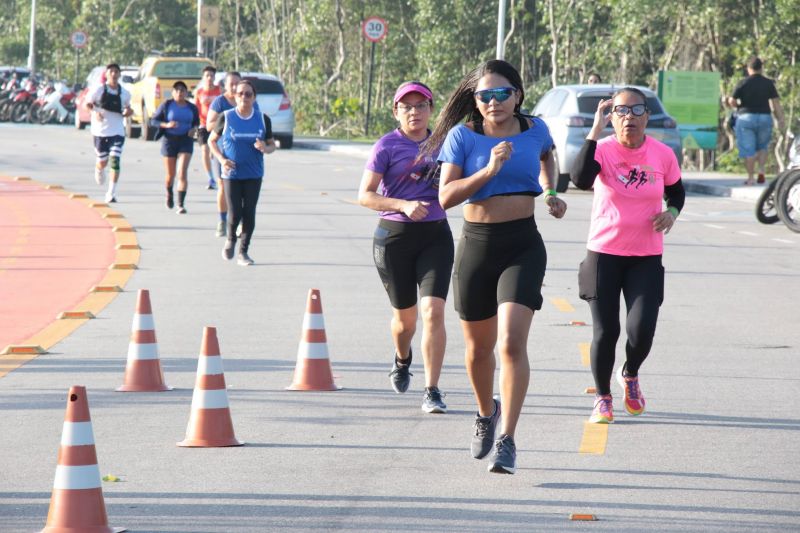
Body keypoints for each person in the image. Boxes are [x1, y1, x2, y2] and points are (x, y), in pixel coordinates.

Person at [421, 59, 567, 474]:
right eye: (484, 95)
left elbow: (547, 156)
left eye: (502, 93)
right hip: (476, 248)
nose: (493, 102)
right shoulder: (463, 137)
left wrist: (552, 191)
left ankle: (508, 440)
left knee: (511, 344)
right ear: (475, 100)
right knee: (477, 350)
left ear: (518, 95)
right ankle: (487, 413)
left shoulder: (535, 129)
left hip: (522, 245)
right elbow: (446, 197)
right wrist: (488, 169)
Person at [570, 87, 685, 426]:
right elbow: (579, 178)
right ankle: (603, 398)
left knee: (642, 330)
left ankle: (630, 374)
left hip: (646, 256)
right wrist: (594, 131)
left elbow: (676, 191)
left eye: (637, 111)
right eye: (620, 111)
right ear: (611, 117)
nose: (629, 118)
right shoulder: (602, 150)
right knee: (606, 331)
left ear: (647, 116)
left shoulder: (662, 154)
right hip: (604, 254)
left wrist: (672, 212)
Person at [358, 81, 454, 413]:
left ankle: (433, 389)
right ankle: (402, 359)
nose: (414, 112)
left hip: (435, 236)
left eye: (421, 105)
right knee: (406, 321)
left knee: (434, 312)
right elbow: (365, 195)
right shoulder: (386, 146)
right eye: (407, 106)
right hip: (394, 238)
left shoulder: (444, 143)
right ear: (396, 111)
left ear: (431, 108)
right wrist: (401, 204)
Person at [208, 79, 276, 266]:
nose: (244, 97)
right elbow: (211, 141)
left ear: (254, 98)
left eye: (248, 94)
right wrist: (222, 160)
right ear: (234, 96)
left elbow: (272, 145)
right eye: (240, 94)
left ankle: (243, 252)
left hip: (254, 173)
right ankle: (230, 238)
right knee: (235, 211)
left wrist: (264, 147)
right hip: (232, 173)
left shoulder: (263, 119)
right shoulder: (226, 117)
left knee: (249, 213)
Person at [726, 56, 786, 185]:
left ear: (749, 69)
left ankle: (750, 178)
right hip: (764, 117)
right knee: (762, 147)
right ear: (761, 68)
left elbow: (731, 100)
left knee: (749, 149)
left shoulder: (743, 82)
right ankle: (762, 170)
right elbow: (775, 103)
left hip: (746, 118)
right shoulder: (768, 83)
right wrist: (780, 118)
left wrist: (737, 105)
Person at [86, 63, 132, 203]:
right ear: (106, 74)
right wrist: (95, 113)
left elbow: (128, 108)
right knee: (103, 161)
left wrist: (128, 112)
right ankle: (99, 168)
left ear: (119, 75)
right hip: (100, 131)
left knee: (115, 161)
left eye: (116, 71)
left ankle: (111, 193)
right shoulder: (98, 90)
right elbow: (88, 104)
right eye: (111, 71)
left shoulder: (125, 93)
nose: (113, 74)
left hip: (117, 131)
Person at [151, 81, 200, 214]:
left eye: (183, 90)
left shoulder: (192, 107)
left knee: (182, 172)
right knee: (170, 175)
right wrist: (166, 125)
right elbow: (153, 120)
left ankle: (180, 204)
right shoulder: (167, 105)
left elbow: (197, 122)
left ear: (186, 92)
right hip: (169, 140)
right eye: (177, 90)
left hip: (186, 140)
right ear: (173, 93)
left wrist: (194, 129)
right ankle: (169, 193)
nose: (180, 92)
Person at [206, 71, 242, 237]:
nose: (234, 87)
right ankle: (222, 221)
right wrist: (227, 120)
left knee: (242, 187)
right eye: (231, 83)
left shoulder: (247, 100)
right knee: (222, 185)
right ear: (225, 85)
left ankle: (239, 221)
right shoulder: (219, 102)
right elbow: (208, 126)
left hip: (243, 151)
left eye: (237, 83)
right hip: (222, 150)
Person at [195, 66, 222, 190]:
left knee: (215, 152)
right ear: (203, 77)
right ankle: (210, 178)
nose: (209, 78)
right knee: (204, 150)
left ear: (214, 77)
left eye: (211, 75)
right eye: (207, 75)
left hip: (217, 125)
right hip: (203, 125)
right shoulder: (199, 92)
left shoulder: (219, 91)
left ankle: (219, 177)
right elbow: (196, 109)